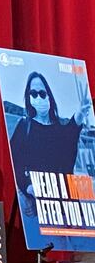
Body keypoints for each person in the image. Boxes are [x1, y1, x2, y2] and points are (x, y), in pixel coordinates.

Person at [10, 71, 90, 217]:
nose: (38, 98)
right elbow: (15, 162)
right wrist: (27, 187)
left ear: (49, 96)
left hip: (67, 207)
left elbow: (69, 139)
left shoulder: (59, 127)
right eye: (33, 93)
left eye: (42, 93)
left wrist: (79, 115)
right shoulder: (24, 126)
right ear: (28, 97)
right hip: (38, 207)